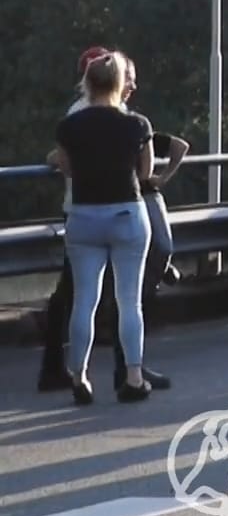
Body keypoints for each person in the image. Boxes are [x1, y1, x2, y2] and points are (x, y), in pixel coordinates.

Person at [51, 53, 156, 403]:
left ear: (87, 83)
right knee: (129, 302)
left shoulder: (69, 126)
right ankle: (134, 376)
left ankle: (79, 376)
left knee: (85, 300)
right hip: (127, 213)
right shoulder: (137, 124)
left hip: (84, 216)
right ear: (119, 84)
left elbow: (66, 168)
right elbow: (144, 173)